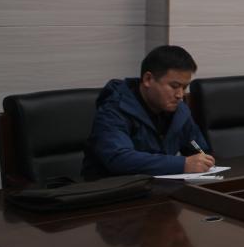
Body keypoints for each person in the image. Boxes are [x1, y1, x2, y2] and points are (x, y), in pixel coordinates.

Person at [83, 45, 214, 178]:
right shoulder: (114, 109)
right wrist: (181, 164)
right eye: (174, 86)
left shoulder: (179, 110)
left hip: (158, 184)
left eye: (184, 87)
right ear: (148, 79)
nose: (180, 95)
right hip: (112, 187)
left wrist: (203, 157)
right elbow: (119, 158)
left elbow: (196, 145)